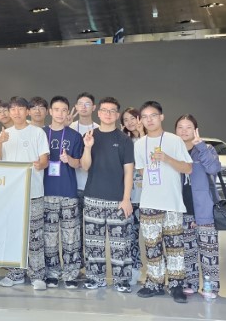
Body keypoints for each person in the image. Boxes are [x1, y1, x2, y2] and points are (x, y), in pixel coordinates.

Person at [133, 101, 193, 303]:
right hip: (149, 203)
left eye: (153, 115)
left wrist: (167, 159)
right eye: (145, 116)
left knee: (175, 247)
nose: (149, 120)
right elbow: (142, 171)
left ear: (161, 117)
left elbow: (188, 168)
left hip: (172, 203)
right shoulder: (139, 144)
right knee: (152, 247)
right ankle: (154, 283)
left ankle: (176, 285)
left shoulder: (174, 140)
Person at [0, 96, 50, 290]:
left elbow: (44, 160)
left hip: (34, 192)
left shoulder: (37, 132)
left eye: (20, 109)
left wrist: (40, 165)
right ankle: (15, 273)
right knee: (13, 235)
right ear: (9, 112)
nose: (16, 112)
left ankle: (37, 275)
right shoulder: (5, 134)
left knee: (35, 235)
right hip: (12, 194)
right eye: (13, 109)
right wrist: (0, 142)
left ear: (27, 111)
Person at [80, 97, 135, 292]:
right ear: (99, 113)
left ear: (117, 115)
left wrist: (126, 199)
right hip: (93, 197)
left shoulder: (124, 140)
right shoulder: (90, 135)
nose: (108, 114)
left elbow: (129, 171)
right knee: (93, 243)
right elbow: (85, 166)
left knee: (121, 244)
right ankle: (96, 278)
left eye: (112, 111)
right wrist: (88, 147)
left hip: (117, 200)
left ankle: (121, 280)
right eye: (105, 110)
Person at [175, 114, 222, 299]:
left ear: (195, 130)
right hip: (183, 210)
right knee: (188, 251)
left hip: (204, 210)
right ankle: (191, 283)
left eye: (188, 127)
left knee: (208, 251)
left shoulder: (206, 149)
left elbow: (214, 168)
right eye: (180, 127)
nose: (184, 131)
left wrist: (200, 146)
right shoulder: (175, 150)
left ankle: (210, 287)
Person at [41, 96, 85, 289]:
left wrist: (69, 160)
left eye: (64, 110)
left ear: (68, 112)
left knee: (71, 236)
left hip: (68, 192)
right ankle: (52, 273)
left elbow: (80, 164)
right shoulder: (41, 133)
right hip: (45, 191)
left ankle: (70, 274)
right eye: (56, 109)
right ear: (50, 111)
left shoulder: (74, 136)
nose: (60, 113)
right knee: (49, 236)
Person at [122, 107, 146, 284]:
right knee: (131, 236)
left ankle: (157, 274)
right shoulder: (124, 142)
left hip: (149, 198)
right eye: (126, 120)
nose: (130, 122)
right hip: (131, 198)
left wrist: (142, 132)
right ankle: (134, 270)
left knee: (153, 238)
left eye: (133, 118)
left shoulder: (149, 139)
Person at [70, 92, 99, 205]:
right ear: (76, 106)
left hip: (92, 185)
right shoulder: (69, 127)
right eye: (80, 104)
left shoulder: (99, 129)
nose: (83, 107)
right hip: (72, 184)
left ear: (94, 107)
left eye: (87, 104)